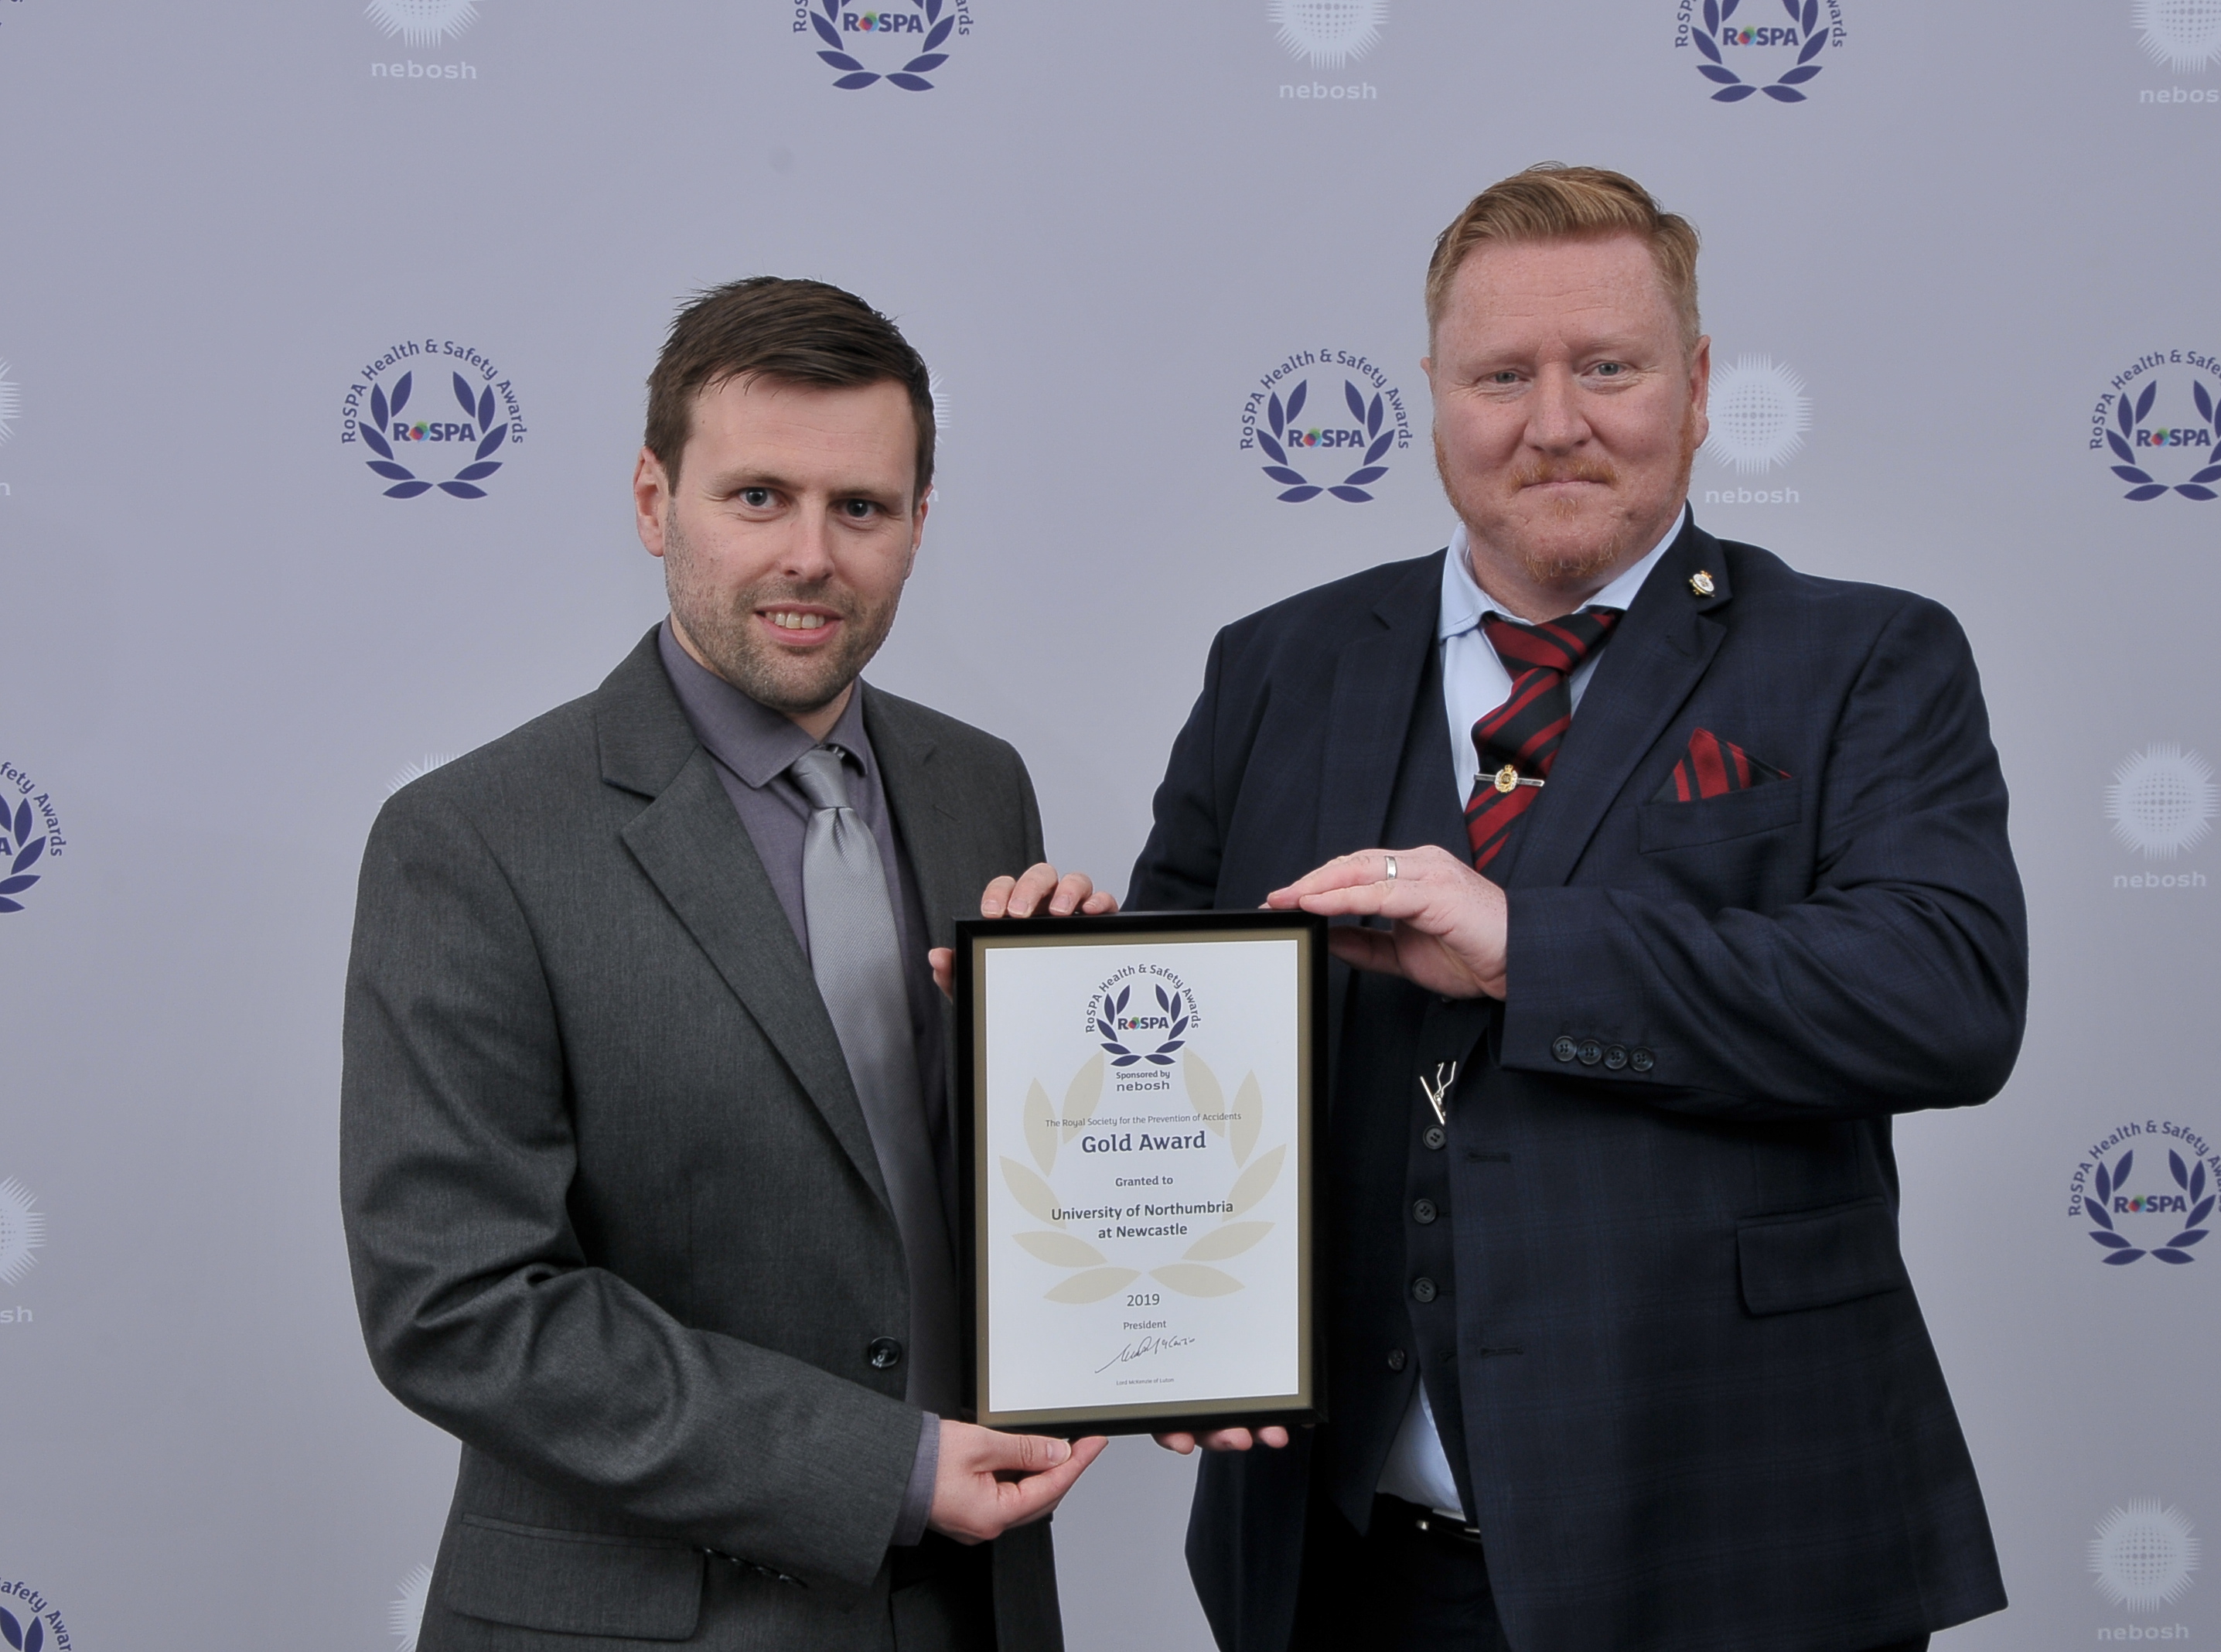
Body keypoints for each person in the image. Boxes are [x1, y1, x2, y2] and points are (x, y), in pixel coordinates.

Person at [1133, 166, 2026, 1652]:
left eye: (1607, 368)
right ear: (1433, 398)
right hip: (1343, 1573)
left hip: (1742, 1550)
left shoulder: (1868, 657)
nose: (1554, 423)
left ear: (1698, 387)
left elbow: (1945, 996)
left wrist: (1526, 953)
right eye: (1502, 376)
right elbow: (1183, 1035)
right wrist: (1046, 1004)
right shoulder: (1275, 666)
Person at [342, 277, 1113, 1652]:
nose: (811, 555)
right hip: (648, 1622)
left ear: (917, 525)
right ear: (655, 502)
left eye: (860, 507)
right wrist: (880, 1471)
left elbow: (983, 1205)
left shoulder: (978, 787)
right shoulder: (471, 839)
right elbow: (458, 1306)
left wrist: (1089, 1071)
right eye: (758, 497)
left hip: (969, 1610)